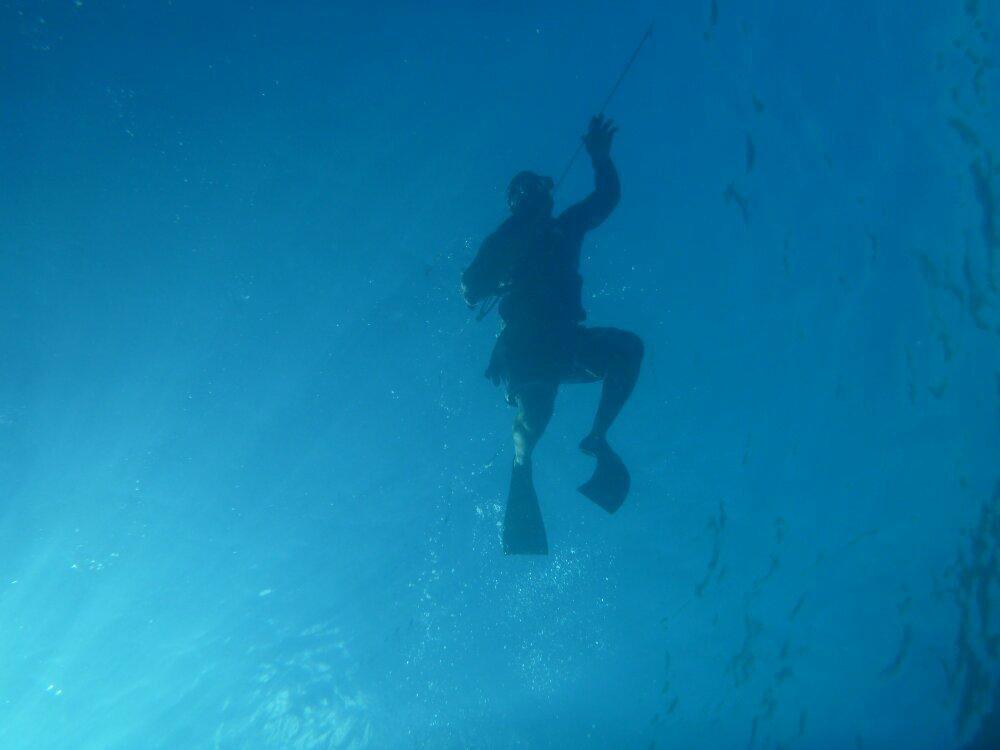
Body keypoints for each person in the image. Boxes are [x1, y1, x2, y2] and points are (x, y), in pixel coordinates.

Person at [461, 114, 644, 555]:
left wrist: (601, 158)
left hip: (565, 340)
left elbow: (607, 197)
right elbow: (471, 286)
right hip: (525, 347)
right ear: (516, 203)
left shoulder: (565, 228)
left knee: (628, 348)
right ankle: (522, 464)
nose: (534, 196)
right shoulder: (508, 241)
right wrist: (518, 228)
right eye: (523, 193)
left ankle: (598, 436)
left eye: (537, 189)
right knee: (538, 408)